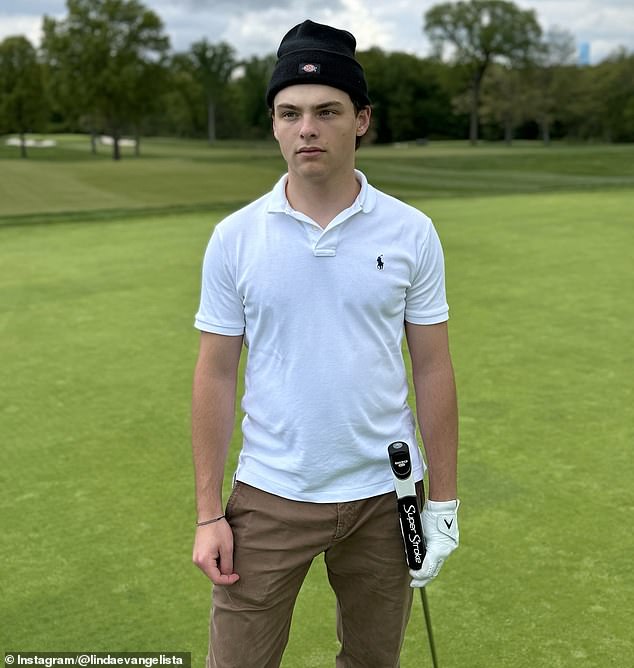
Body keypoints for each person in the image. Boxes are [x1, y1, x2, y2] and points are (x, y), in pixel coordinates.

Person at [191, 19, 460, 668]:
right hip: (270, 491)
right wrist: (208, 513)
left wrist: (444, 502)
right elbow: (216, 376)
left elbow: (431, 366)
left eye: (326, 111)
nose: (306, 127)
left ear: (361, 120)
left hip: (386, 493)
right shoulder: (235, 238)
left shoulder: (411, 232)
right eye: (289, 113)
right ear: (275, 124)